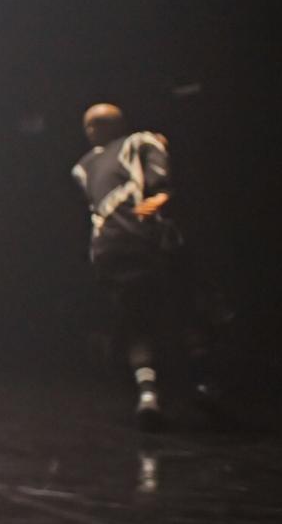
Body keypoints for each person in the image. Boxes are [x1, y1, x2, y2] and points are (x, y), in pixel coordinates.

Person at [71, 103, 222, 429]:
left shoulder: (82, 167)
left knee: (136, 323)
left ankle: (149, 395)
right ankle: (202, 385)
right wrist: (152, 208)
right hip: (147, 243)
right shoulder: (142, 141)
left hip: (107, 250)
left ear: (89, 131)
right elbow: (160, 189)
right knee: (189, 312)